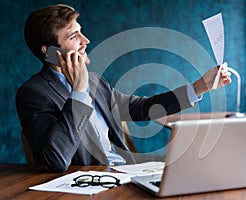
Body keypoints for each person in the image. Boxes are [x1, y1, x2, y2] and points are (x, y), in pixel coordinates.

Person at [16, 4, 231, 172]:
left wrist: (199, 87)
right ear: (50, 52)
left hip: (125, 172)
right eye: (74, 36)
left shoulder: (95, 82)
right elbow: (56, 159)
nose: (86, 40)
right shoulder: (34, 93)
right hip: (91, 184)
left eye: (81, 32)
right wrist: (79, 92)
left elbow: (142, 107)